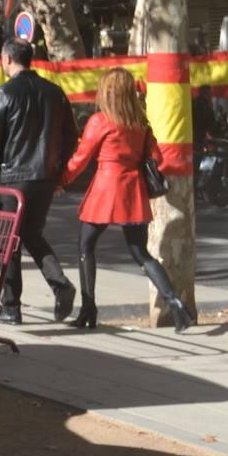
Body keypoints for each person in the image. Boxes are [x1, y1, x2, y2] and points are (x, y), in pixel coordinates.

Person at [60, 68, 195, 332]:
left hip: (105, 190)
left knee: (86, 246)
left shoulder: (100, 121)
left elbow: (80, 159)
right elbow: (157, 158)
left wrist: (60, 180)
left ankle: (88, 310)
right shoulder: (140, 123)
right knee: (140, 253)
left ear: (108, 92)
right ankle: (177, 305)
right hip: (133, 190)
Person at [0, 37, 78, 325]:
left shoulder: (3, 95)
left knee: (8, 241)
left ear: (7, 59)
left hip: (12, 180)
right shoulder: (55, 93)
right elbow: (71, 136)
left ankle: (11, 306)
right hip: (44, 177)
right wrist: (57, 170)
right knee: (32, 234)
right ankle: (60, 284)